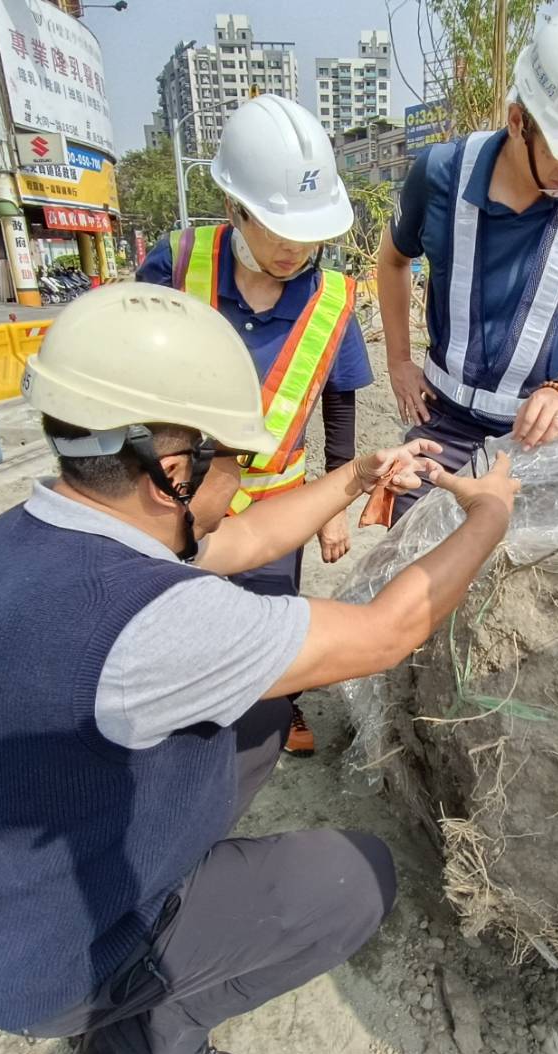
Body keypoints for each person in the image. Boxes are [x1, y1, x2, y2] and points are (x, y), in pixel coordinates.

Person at [0, 283, 518, 1054]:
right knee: (355, 879)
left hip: (5, 883)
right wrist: (488, 518)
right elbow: (386, 632)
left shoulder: (32, 530)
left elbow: (235, 539)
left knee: (257, 715)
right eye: (233, 457)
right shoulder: (158, 622)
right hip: (53, 963)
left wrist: (355, 476)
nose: (240, 476)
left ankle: (172, 902)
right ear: (170, 470)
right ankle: (141, 1049)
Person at [137, 94, 370, 756]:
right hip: (178, 495)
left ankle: (279, 708)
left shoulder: (331, 297)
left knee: (269, 619)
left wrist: (332, 503)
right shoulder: (177, 263)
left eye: (309, 232)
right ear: (236, 208)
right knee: (177, 609)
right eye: (276, 228)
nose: (295, 248)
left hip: (277, 499)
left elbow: (340, 399)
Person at [376, 4, 558, 521]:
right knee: (418, 574)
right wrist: (398, 362)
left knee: (521, 585)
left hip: (546, 438)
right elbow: (391, 262)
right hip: (444, 425)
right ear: (519, 121)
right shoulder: (441, 173)